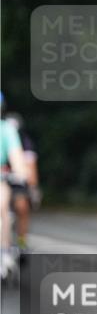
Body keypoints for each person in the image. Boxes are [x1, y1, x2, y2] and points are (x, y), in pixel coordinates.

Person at [0, 92, 28, 279]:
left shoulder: (7, 130)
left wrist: (20, 171)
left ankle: (3, 250)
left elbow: (17, 156)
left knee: (1, 202)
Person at [4, 112, 41, 255]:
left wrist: (33, 186)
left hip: (17, 181)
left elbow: (31, 167)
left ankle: (22, 242)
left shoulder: (26, 143)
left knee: (22, 207)